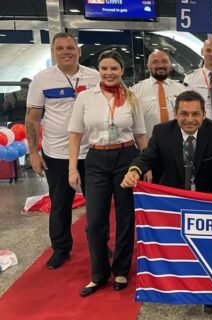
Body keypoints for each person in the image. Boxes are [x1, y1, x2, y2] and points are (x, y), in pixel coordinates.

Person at [68, 50, 148, 297]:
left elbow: (140, 135)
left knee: (125, 217)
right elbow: (75, 134)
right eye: (104, 68)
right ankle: (98, 273)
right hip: (96, 159)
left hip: (126, 157)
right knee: (94, 222)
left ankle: (121, 269)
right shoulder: (85, 98)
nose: (109, 73)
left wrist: (146, 166)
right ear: (98, 71)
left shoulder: (132, 98)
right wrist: (72, 169)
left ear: (122, 71)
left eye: (114, 68)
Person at [25, 32, 99, 269]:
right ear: (53, 52)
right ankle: (60, 248)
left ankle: (98, 245)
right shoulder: (42, 80)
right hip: (56, 153)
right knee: (60, 203)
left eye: (70, 48)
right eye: (60, 48)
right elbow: (32, 118)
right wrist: (33, 153)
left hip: (91, 151)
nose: (66, 52)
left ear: (78, 51)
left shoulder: (95, 76)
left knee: (97, 204)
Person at [120, 90, 212, 193]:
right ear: (175, 114)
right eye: (184, 114)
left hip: (206, 196)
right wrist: (134, 171)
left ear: (204, 114)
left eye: (195, 114)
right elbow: (146, 158)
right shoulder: (161, 132)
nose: (190, 120)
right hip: (171, 195)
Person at [131, 50, 186, 182]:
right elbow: (133, 125)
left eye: (164, 62)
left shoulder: (182, 90)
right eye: (155, 62)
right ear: (148, 66)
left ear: (170, 65)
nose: (160, 65)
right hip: (149, 151)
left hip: (178, 150)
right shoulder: (135, 91)